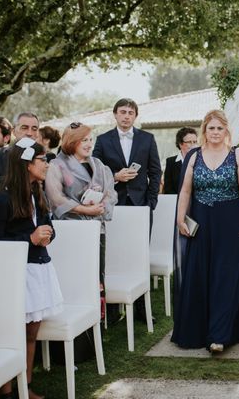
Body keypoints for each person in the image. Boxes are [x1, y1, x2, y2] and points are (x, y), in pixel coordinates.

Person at [172, 110, 239, 352]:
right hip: (201, 221)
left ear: (226, 131)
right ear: (204, 130)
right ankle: (200, 328)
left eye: (220, 128)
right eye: (211, 128)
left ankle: (219, 335)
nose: (215, 133)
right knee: (200, 273)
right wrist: (181, 218)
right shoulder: (193, 155)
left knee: (225, 275)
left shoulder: (237, 154)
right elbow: (186, 191)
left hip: (230, 223)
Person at [0, 138, 63, 399]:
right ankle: (7, 391)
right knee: (13, 332)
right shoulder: (1, 200)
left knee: (32, 333)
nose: (47, 166)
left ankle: (25, 386)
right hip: (15, 276)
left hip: (39, 270)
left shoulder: (37, 194)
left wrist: (48, 234)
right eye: (43, 161)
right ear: (28, 163)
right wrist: (30, 239)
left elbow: (49, 229)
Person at [93, 98, 161, 322]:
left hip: (140, 206)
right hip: (113, 205)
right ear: (115, 114)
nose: (126, 116)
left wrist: (150, 203)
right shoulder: (103, 140)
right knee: (112, 254)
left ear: (135, 116)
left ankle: (142, 308)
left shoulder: (147, 139)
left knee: (140, 255)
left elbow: (155, 172)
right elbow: (94, 174)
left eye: (131, 113)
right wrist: (115, 177)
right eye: (122, 112)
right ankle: (112, 310)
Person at [45, 122, 118, 307]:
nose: (88, 144)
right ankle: (78, 325)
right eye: (83, 140)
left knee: (97, 274)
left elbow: (110, 192)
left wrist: (102, 205)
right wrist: (84, 209)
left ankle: (98, 321)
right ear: (71, 141)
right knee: (76, 275)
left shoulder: (99, 164)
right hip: (71, 230)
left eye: (90, 140)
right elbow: (55, 198)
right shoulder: (57, 165)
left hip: (96, 228)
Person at [0, 112, 40, 194]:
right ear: (14, 131)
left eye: (34, 129)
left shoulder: (46, 157)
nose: (29, 133)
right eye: (24, 128)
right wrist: (16, 180)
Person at [163, 127, 198, 194]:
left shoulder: (201, 161)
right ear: (180, 144)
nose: (193, 145)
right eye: (189, 142)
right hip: (176, 201)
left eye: (195, 142)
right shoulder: (171, 162)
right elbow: (168, 188)